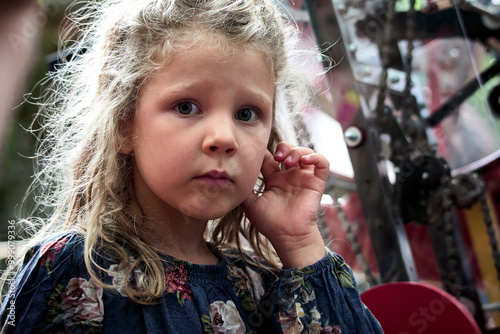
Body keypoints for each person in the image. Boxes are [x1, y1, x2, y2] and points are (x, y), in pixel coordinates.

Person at [0, 0, 383, 333]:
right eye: (186, 106)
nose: (224, 137)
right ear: (123, 123)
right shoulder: (77, 269)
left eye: (246, 113)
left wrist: (300, 243)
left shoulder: (262, 284)